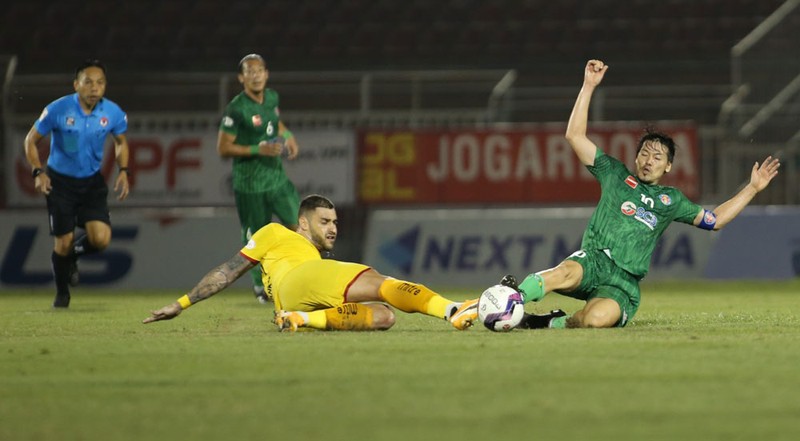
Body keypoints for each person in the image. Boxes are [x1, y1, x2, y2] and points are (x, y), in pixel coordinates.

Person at [500, 59, 781, 329]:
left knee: (593, 320)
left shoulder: (671, 201)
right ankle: (511, 299)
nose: (649, 161)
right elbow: (575, 136)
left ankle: (545, 322)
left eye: (657, 157)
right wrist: (588, 86)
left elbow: (715, 220)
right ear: (636, 159)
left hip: (623, 283)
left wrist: (752, 188)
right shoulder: (614, 173)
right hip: (594, 261)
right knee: (563, 272)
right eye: (644, 154)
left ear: (669, 165)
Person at [143, 194, 479, 331]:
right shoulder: (276, 232)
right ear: (302, 223)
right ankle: (452, 310)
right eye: (324, 222)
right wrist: (182, 303)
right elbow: (228, 271)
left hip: (292, 297)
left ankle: (300, 319)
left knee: (382, 316)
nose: (333, 228)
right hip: (300, 278)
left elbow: (228, 273)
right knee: (378, 280)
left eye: (334, 222)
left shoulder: (312, 256)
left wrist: (183, 303)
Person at [23, 59, 130, 308]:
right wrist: (38, 171)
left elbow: (121, 141)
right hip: (60, 183)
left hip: (91, 183)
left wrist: (124, 170)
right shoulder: (58, 110)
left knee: (101, 239)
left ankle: (72, 257)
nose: (95, 87)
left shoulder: (112, 112)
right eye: (88, 82)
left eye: (100, 82)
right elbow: (30, 140)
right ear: (76, 85)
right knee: (62, 242)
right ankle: (62, 295)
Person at [217, 53, 301, 305]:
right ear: (241, 78)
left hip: (276, 178)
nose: (255, 75)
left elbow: (275, 123)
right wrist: (258, 150)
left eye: (259, 70)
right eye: (249, 71)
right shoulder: (236, 108)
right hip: (249, 185)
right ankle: (260, 286)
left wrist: (289, 135)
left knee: (301, 225)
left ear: (267, 73)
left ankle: (307, 274)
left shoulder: (272, 97)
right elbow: (223, 148)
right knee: (256, 237)